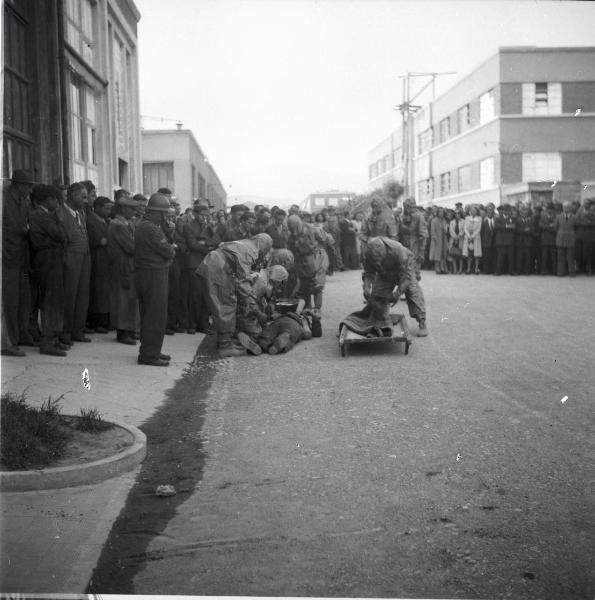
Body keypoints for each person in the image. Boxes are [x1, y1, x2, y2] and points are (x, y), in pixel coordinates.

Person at [196, 233, 273, 357]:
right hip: (218, 268)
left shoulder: (244, 244)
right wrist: (251, 301)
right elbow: (243, 279)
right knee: (226, 304)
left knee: (223, 303)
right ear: (264, 246)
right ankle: (225, 346)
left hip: (214, 264)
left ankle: (226, 342)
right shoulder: (251, 251)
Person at [134, 193, 176, 366]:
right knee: (155, 315)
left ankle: (152, 350)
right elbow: (168, 250)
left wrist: (167, 230)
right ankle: (149, 355)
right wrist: (170, 250)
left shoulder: (150, 225)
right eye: (162, 213)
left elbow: (168, 245)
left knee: (152, 314)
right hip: (152, 274)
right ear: (153, 212)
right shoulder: (149, 228)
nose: (164, 217)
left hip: (152, 272)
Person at [28, 185, 69, 356]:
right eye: (54, 199)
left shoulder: (45, 215)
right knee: (50, 300)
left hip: (51, 258)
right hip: (47, 259)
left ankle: (52, 338)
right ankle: (47, 341)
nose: (58, 202)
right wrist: (59, 222)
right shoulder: (40, 215)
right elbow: (60, 235)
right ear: (46, 200)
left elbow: (61, 236)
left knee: (55, 299)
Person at [361, 237, 428, 337]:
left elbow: (406, 277)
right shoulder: (368, 254)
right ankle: (380, 320)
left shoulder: (399, 251)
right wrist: (366, 287)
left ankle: (422, 323)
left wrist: (397, 293)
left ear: (385, 252)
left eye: (379, 260)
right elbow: (369, 273)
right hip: (385, 273)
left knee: (413, 292)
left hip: (404, 270)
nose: (377, 263)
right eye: (375, 261)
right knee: (377, 296)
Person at [1, 169, 35, 356]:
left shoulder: (23, 202)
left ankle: (18, 337)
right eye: (28, 186)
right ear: (19, 185)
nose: (30, 190)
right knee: (9, 301)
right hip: (7, 258)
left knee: (20, 300)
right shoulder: (4, 200)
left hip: (20, 258)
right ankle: (7, 343)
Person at [59, 182, 91, 344]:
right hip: (71, 258)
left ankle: (77, 330)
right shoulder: (61, 213)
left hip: (84, 257)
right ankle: (65, 332)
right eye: (83, 197)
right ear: (72, 196)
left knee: (82, 295)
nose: (86, 200)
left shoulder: (81, 213)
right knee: (69, 296)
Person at [184, 202, 220, 334]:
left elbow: (217, 241)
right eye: (202, 215)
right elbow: (192, 245)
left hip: (206, 263)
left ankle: (203, 324)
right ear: (195, 214)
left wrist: (205, 243)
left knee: (206, 295)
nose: (204, 218)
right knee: (195, 295)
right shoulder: (188, 226)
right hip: (194, 264)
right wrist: (207, 246)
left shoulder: (208, 226)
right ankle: (192, 325)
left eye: (206, 215)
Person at [107, 194, 139, 345]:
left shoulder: (126, 223)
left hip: (127, 266)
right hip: (122, 266)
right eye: (131, 209)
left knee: (129, 299)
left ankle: (128, 330)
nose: (134, 211)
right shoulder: (118, 225)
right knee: (122, 300)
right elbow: (131, 247)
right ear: (123, 209)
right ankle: (122, 332)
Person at [287, 214, 331, 319]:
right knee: (304, 286)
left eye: (294, 226)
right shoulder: (291, 237)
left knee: (317, 284)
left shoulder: (313, 230)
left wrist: (320, 251)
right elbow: (290, 250)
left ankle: (317, 309)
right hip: (302, 261)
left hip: (316, 259)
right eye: (291, 227)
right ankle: (308, 308)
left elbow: (327, 240)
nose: (293, 229)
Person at [86, 196, 113, 332]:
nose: (109, 211)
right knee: (98, 292)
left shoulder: (106, 221)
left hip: (106, 259)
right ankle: (96, 322)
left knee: (105, 292)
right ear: (97, 207)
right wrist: (113, 239)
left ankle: (104, 320)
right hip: (97, 259)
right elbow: (100, 240)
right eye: (106, 208)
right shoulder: (91, 220)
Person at [399, 198, 428, 281]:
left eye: (407, 206)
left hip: (414, 244)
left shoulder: (419, 216)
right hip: (403, 244)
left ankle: (414, 289)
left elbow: (423, 235)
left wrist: (421, 250)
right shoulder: (402, 216)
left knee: (414, 269)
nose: (406, 208)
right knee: (403, 268)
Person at [555, 201, 577, 277]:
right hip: (560, 239)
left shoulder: (574, 217)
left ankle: (571, 273)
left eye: (567, 207)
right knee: (560, 257)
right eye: (564, 207)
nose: (566, 208)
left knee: (571, 257)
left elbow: (576, 228)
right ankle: (561, 273)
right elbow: (556, 228)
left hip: (571, 239)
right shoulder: (558, 216)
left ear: (570, 208)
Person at [494, 204, 516, 275]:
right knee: (500, 257)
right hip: (501, 240)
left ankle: (511, 271)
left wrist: (505, 227)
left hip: (510, 240)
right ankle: (498, 271)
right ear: (502, 211)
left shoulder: (512, 218)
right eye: (505, 210)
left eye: (508, 210)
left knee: (511, 257)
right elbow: (497, 226)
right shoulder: (498, 218)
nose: (506, 211)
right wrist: (507, 226)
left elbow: (514, 227)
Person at [463, 205, 482, 274]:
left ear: (477, 212)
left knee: (476, 255)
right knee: (469, 254)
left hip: (476, 238)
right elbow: (465, 228)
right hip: (468, 238)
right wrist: (469, 236)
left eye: (475, 211)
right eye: (472, 211)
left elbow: (478, 229)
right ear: (470, 211)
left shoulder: (479, 218)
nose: (473, 212)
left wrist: (472, 236)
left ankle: (476, 269)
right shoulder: (467, 218)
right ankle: (468, 269)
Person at [429, 206, 448, 274]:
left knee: (443, 254)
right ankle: (437, 268)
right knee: (437, 254)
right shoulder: (434, 220)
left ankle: (442, 267)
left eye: (442, 212)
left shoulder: (444, 220)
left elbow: (446, 229)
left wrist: (445, 229)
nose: (441, 213)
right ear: (437, 213)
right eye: (440, 212)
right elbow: (432, 231)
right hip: (437, 239)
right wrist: (435, 238)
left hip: (444, 239)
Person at [480, 203, 497, 274]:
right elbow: (481, 232)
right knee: (486, 257)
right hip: (486, 242)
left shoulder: (496, 220)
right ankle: (486, 271)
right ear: (487, 212)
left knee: (494, 257)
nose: (490, 212)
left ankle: (494, 270)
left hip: (495, 242)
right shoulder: (484, 221)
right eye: (489, 210)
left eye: (491, 210)